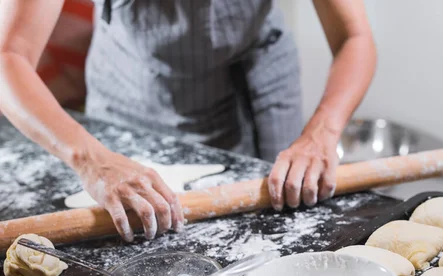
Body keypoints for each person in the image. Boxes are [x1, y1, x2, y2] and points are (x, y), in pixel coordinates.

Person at [0, 0, 376, 242]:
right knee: (132, 232)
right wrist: (92, 159)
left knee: (275, 227)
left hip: (253, 78)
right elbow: (8, 56)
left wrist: (322, 134)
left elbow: (353, 36)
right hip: (133, 82)